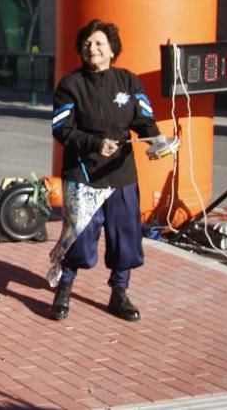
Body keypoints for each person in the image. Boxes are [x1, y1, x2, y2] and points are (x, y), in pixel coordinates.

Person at [49, 19, 162, 322]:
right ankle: (64, 288)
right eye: (87, 43)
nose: (92, 48)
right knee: (78, 239)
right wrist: (94, 144)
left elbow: (144, 120)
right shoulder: (70, 85)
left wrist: (157, 141)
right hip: (83, 174)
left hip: (121, 173)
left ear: (112, 49)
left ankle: (119, 293)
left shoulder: (128, 81)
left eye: (99, 43)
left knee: (126, 237)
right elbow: (61, 128)